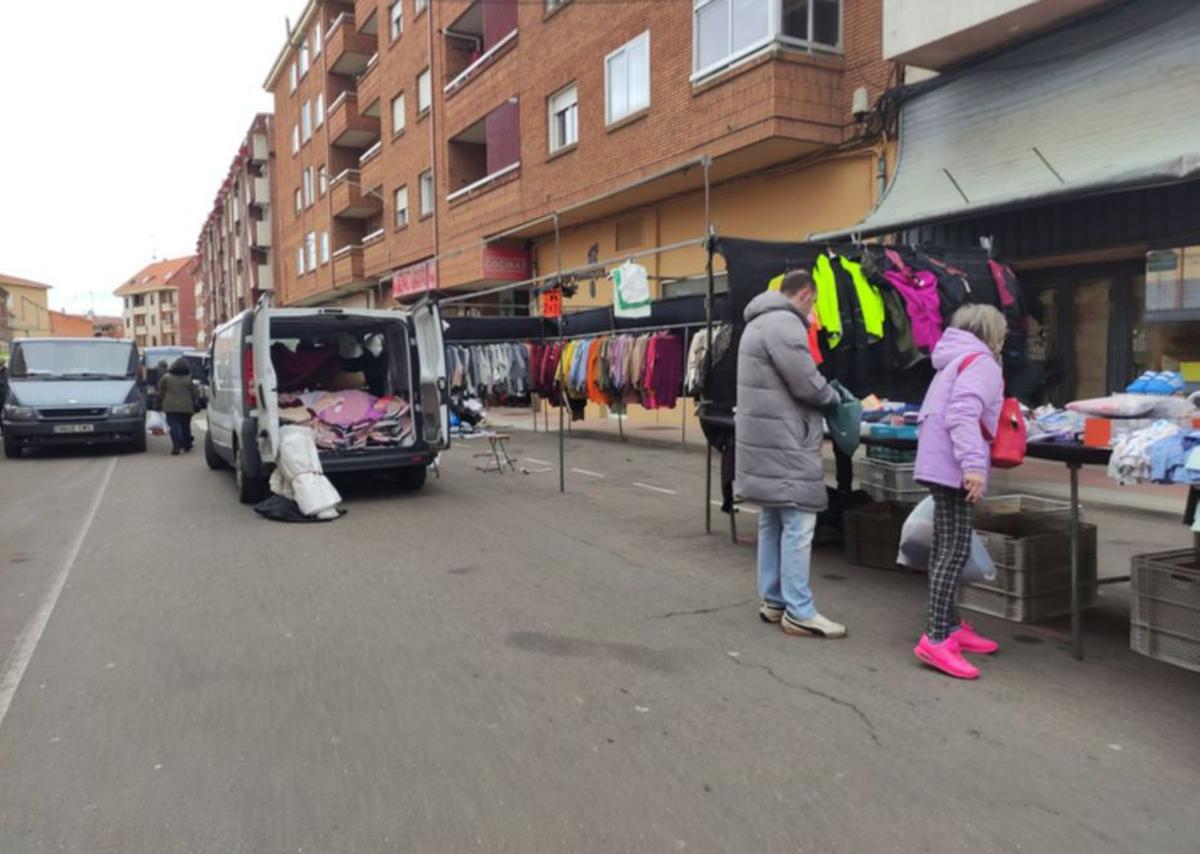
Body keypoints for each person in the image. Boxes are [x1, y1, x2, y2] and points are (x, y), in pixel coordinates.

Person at [735, 271, 846, 639]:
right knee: (799, 524)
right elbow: (806, 382)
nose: (814, 313)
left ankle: (773, 600)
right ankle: (799, 610)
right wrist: (833, 398)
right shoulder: (785, 324)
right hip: (786, 439)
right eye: (813, 304)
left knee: (772, 520)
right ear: (806, 295)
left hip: (763, 438)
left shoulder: (756, 322)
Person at [912, 304, 1008, 679]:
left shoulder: (954, 357)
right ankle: (936, 638)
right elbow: (963, 414)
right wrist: (973, 467)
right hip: (952, 464)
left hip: (938, 460)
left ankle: (948, 628)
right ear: (992, 333)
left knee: (947, 548)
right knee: (953, 551)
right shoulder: (981, 363)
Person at [157, 357, 198, 456]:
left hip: (170, 407)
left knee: (174, 426)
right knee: (185, 426)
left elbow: (161, 390)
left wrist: (159, 400)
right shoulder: (189, 378)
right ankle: (187, 443)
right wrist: (194, 401)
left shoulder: (166, 377)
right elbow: (194, 393)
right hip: (186, 407)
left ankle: (177, 445)